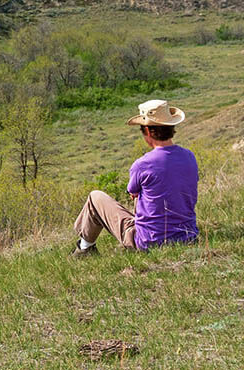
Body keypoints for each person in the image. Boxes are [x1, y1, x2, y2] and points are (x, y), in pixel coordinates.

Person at [72, 99, 199, 256]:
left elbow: (133, 192)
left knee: (95, 197)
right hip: (187, 236)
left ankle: (84, 248)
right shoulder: (189, 157)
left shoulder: (142, 164)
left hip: (148, 242)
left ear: (147, 131)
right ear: (171, 128)